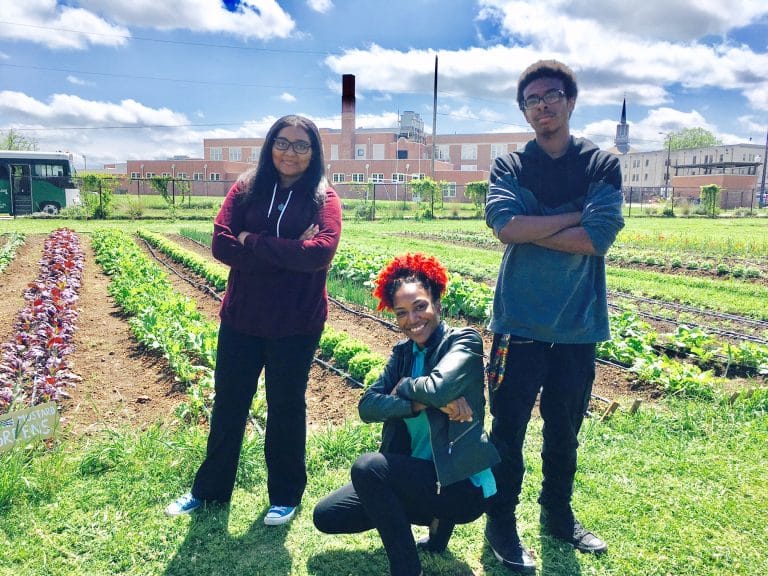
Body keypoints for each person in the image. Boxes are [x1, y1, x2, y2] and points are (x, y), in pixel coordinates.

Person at [483, 60, 625, 573]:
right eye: (532, 100)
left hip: (577, 324)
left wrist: (533, 223)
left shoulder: (601, 163)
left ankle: (557, 514)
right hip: (517, 322)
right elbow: (504, 225)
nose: (542, 105)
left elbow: (599, 237)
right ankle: (501, 520)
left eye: (551, 95)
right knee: (508, 429)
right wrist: (572, 215)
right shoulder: (510, 165)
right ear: (524, 110)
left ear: (570, 100)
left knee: (564, 428)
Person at [165, 115, 342, 526]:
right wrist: (286, 252)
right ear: (269, 145)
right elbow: (221, 243)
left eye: (301, 145)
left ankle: (284, 495)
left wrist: (254, 242)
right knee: (229, 404)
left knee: (285, 408)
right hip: (242, 319)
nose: (290, 152)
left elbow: (318, 253)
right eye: (283, 142)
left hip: (296, 323)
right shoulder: (245, 189)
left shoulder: (324, 198)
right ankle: (208, 490)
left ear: (314, 152)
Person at [313, 253, 500, 576]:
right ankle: (434, 530)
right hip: (419, 479)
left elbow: (439, 389)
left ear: (438, 303)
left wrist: (405, 387)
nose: (413, 319)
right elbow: (368, 405)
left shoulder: (463, 341)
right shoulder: (402, 353)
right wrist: (416, 403)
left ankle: (407, 568)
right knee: (327, 515)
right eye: (402, 313)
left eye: (420, 306)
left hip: (461, 486)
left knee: (368, 468)